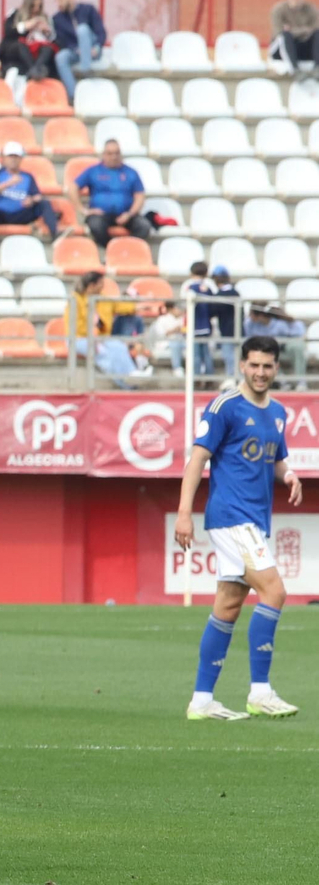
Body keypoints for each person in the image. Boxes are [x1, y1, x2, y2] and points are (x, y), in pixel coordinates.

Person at [174, 336, 302, 721]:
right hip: (232, 516)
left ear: (276, 368)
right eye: (254, 365)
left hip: (254, 521)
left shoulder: (277, 412)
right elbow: (197, 459)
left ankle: (201, 700)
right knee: (274, 591)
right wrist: (184, 512)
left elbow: (275, 459)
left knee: (228, 607)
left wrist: (289, 474)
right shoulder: (224, 406)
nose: (260, 372)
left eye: (267, 366)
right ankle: (260, 692)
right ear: (242, 365)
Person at [75, 139, 149, 248]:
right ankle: (112, 249)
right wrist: (83, 210)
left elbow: (140, 196)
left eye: (117, 153)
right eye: (110, 153)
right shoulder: (93, 171)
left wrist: (129, 214)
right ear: (103, 154)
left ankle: (128, 250)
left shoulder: (131, 172)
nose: (114, 157)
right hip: (101, 215)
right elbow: (73, 187)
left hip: (126, 214)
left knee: (144, 226)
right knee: (96, 225)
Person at [70, 270, 139, 377]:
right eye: (101, 283)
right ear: (92, 285)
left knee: (119, 347)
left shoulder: (103, 298)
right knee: (103, 352)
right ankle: (125, 380)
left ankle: (132, 373)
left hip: (101, 337)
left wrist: (138, 307)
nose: (103, 286)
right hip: (80, 338)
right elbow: (76, 326)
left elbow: (120, 306)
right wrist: (94, 334)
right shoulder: (75, 300)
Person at [0, 141, 58, 234]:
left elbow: (38, 196)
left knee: (44, 203)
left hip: (21, 214)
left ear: (21, 158)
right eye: (10, 156)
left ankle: (54, 233)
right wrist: (8, 183)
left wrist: (31, 200)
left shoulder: (28, 176)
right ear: (4, 158)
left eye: (16, 156)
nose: (13, 159)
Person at [51, 0, 106, 100]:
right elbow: (62, 41)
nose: (59, 3)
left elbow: (101, 32)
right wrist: (76, 49)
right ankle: (75, 96)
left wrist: (97, 47)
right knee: (61, 57)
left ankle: (86, 71)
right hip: (75, 51)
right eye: (56, 1)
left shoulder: (88, 9)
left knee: (82, 29)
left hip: (93, 49)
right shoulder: (57, 19)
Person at [0, 0, 57, 80]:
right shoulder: (15, 13)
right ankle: (34, 70)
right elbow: (8, 31)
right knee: (21, 46)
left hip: (37, 49)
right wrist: (27, 26)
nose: (36, 9)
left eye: (39, 6)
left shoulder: (45, 17)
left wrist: (45, 31)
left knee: (48, 49)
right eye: (33, 6)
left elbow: (52, 39)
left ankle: (34, 70)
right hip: (16, 51)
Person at [244, 304, 308, 380]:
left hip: (283, 348)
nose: (249, 316)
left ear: (260, 315)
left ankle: (300, 381)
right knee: (268, 356)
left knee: (296, 348)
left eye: (251, 314)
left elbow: (293, 336)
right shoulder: (252, 324)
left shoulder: (280, 324)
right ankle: (283, 382)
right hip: (269, 351)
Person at [272, 0, 319, 72]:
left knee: (317, 34)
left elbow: (315, 28)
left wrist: (292, 30)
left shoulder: (311, 9)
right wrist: (306, 29)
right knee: (285, 36)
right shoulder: (279, 9)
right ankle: (295, 71)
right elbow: (278, 32)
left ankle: (317, 69)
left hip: (302, 48)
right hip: (281, 50)